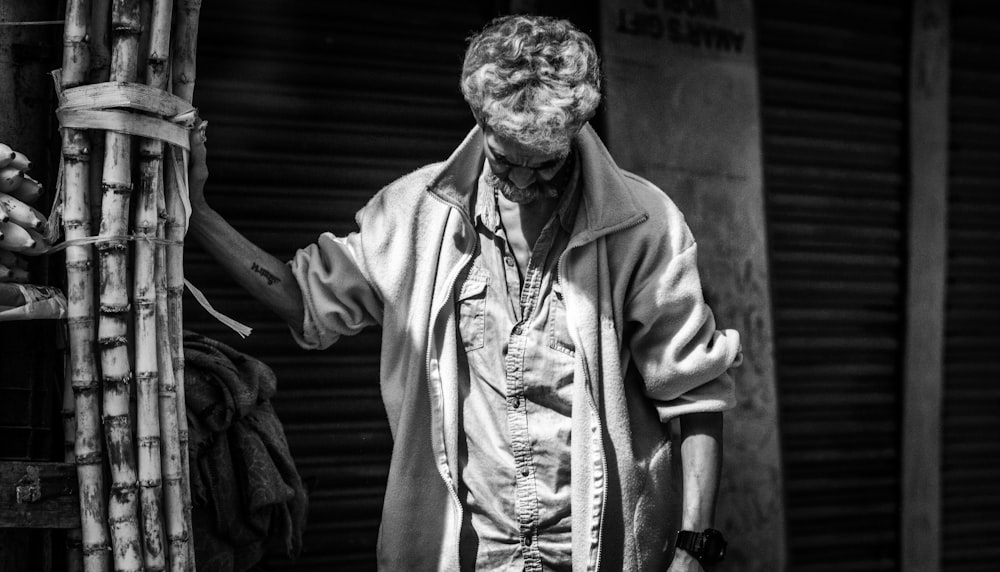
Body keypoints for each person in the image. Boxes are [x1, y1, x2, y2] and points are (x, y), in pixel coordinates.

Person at [188, 14, 741, 572]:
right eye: (506, 161)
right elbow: (303, 299)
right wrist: (200, 214)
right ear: (479, 121)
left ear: (575, 133)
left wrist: (694, 548)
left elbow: (695, 393)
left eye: (545, 166)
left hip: (604, 553)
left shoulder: (645, 225)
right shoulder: (413, 215)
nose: (524, 185)